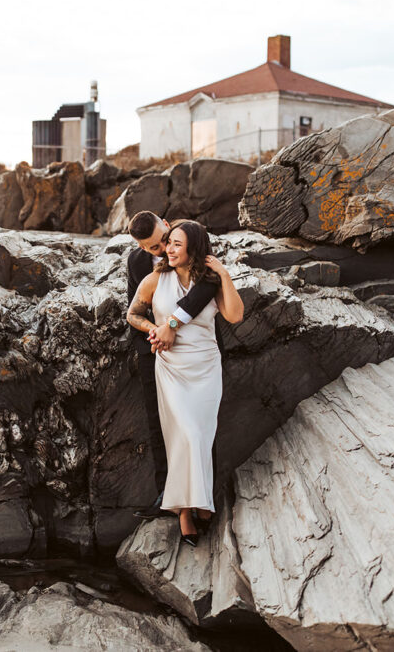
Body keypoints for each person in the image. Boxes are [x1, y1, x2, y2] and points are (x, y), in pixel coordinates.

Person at [127, 219, 244, 546]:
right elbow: (132, 313)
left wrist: (224, 274)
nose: (167, 249)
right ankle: (183, 512)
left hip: (205, 365)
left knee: (201, 435)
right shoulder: (153, 278)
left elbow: (235, 315)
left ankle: (200, 502)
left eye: (174, 243)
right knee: (183, 434)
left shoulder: (209, 280)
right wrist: (153, 329)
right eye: (165, 245)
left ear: (191, 246)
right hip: (171, 367)